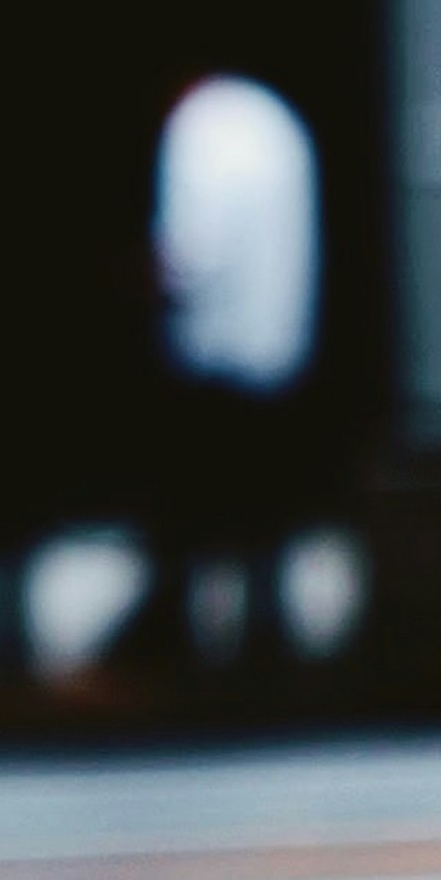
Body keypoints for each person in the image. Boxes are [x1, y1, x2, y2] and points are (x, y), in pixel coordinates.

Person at [133, 67, 324, 684]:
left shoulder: (202, 130)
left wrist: (158, 278)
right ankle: (265, 634)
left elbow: (195, 247)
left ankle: (178, 634)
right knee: (262, 507)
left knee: (194, 504)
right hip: (274, 348)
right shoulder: (272, 122)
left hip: (214, 352)